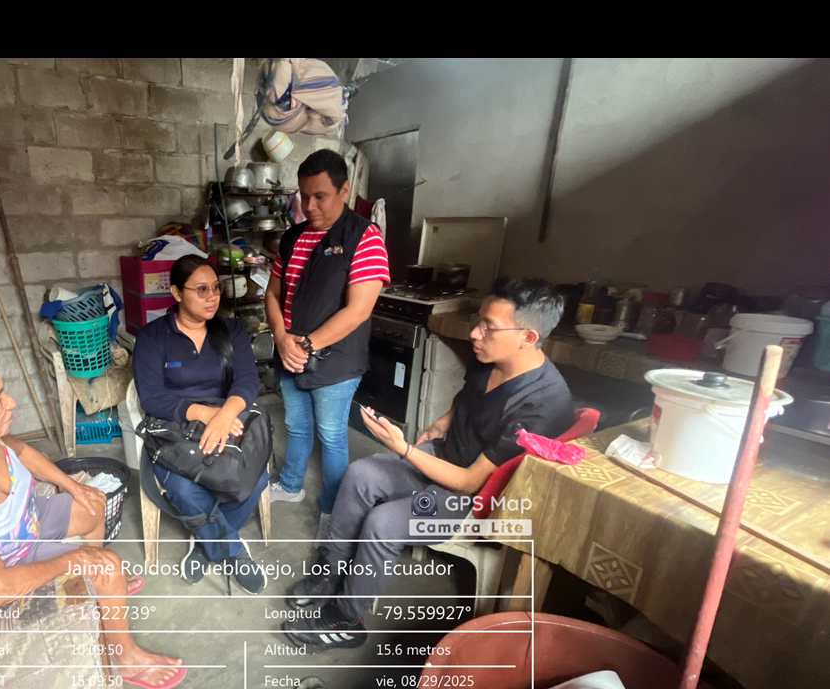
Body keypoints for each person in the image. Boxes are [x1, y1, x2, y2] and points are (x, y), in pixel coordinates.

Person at [283, 278, 576, 648]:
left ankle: (347, 618)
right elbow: (467, 394)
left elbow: (470, 482)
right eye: (478, 320)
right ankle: (333, 570)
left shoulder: (542, 403)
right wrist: (443, 421)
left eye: (489, 327)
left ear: (528, 337)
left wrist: (404, 449)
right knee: (359, 473)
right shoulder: (489, 355)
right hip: (445, 456)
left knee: (383, 522)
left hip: (473, 499)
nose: (475, 333)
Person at [0, 349, 185, 689]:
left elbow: (20, 450)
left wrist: (72, 485)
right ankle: (125, 657)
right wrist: (77, 559)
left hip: (12, 538)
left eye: (2, 392)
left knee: (92, 506)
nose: (11, 402)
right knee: (105, 565)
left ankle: (98, 591)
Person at [263, 150, 390, 537]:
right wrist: (281, 338)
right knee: (296, 426)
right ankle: (290, 485)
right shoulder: (292, 237)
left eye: (320, 196)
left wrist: (304, 345)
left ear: (344, 190)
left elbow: (358, 310)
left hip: (335, 359)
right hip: (290, 352)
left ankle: (335, 509)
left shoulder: (364, 237)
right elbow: (272, 293)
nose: (310, 206)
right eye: (304, 196)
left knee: (331, 434)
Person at [132, 254, 268, 592]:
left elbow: (248, 380)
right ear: (177, 293)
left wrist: (225, 414)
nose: (212, 297)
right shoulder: (152, 337)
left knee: (255, 476)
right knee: (182, 488)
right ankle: (230, 549)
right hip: (176, 425)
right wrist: (204, 414)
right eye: (201, 289)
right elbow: (151, 398)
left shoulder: (232, 330)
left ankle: (205, 543)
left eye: (216, 288)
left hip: (228, 418)